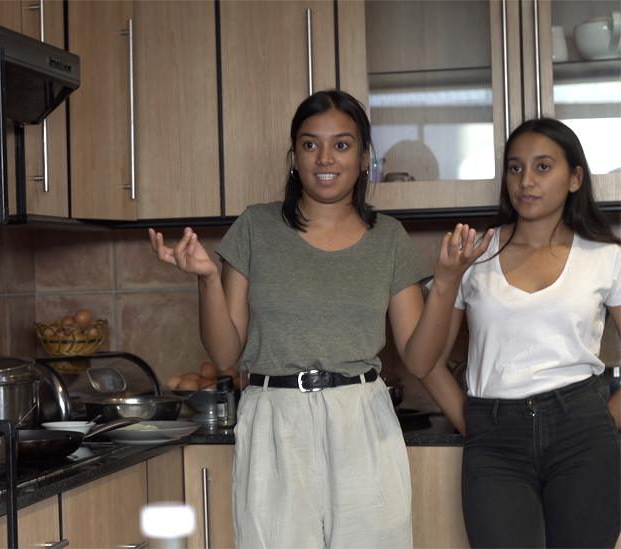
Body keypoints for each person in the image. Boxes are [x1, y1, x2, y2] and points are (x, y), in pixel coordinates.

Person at [148, 89, 492, 548]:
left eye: (342, 144)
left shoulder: (388, 239)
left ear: (365, 155)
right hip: (275, 417)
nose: (325, 158)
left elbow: (419, 358)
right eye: (310, 144)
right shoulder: (256, 227)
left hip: (362, 418)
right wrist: (207, 280)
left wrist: (447, 281)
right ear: (294, 156)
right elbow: (226, 353)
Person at [419, 118, 621, 548]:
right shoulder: (473, 254)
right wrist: (470, 419)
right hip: (494, 441)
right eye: (515, 168)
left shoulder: (606, 257)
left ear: (575, 179)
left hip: (582, 432)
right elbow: (426, 362)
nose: (525, 181)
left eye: (543, 167)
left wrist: (603, 421)